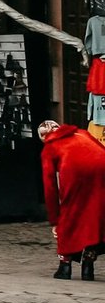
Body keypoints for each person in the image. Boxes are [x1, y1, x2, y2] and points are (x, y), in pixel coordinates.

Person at [38, 118, 105, 280]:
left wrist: (54, 219)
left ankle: (65, 265)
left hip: (75, 172)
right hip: (102, 169)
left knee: (70, 214)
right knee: (97, 214)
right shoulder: (82, 133)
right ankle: (88, 264)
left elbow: (50, 186)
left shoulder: (50, 147)